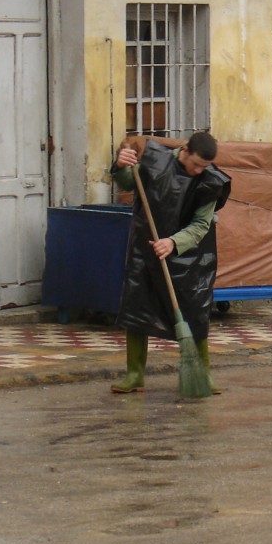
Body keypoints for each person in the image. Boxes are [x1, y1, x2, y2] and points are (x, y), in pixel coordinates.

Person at [109, 132, 231, 394]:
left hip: (190, 257)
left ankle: (203, 375)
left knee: (195, 314)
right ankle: (134, 375)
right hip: (147, 248)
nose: (199, 171)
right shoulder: (155, 162)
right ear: (185, 151)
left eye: (205, 166)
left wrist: (174, 243)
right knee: (138, 308)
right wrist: (120, 165)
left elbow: (201, 225)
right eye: (196, 164)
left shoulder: (210, 180)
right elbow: (128, 181)